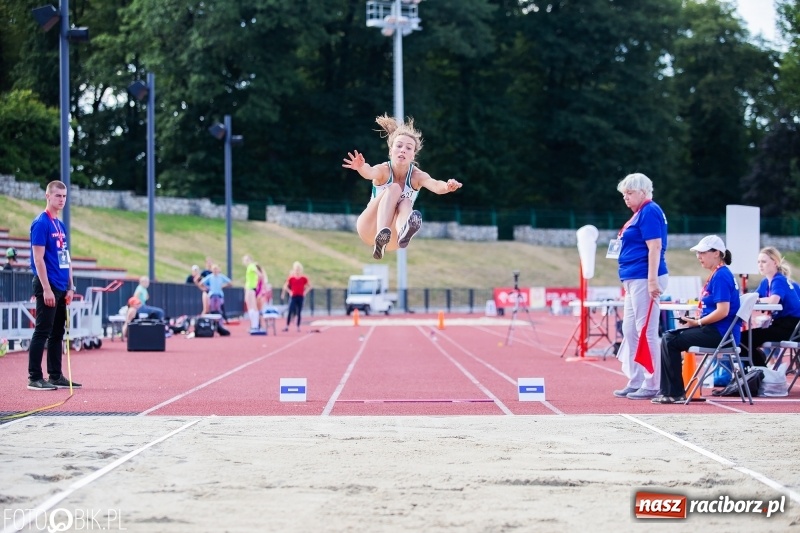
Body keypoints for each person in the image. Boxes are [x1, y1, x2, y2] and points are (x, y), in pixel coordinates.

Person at [342, 114, 463, 260]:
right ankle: (381, 235)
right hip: (368, 227)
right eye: (399, 146)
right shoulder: (383, 170)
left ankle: (403, 232)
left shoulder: (417, 176)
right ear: (390, 151)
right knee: (394, 189)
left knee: (405, 202)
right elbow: (369, 172)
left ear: (413, 155)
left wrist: (448, 186)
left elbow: (436, 185)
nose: (403, 150)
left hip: (394, 239)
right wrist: (360, 167)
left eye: (408, 148)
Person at [654, 235, 741, 404]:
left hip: (720, 335)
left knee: (669, 339)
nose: (698, 257)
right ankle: (672, 391)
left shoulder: (721, 276)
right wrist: (695, 320)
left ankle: (673, 393)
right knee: (670, 337)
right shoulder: (719, 274)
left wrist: (698, 322)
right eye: (697, 253)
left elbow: (723, 311)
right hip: (718, 332)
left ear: (716, 253)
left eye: (702, 252)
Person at [611, 173, 669, 400]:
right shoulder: (639, 214)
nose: (625, 197)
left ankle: (652, 382)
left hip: (645, 278)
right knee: (630, 330)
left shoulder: (650, 211)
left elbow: (655, 246)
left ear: (643, 192)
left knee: (646, 331)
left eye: (629, 192)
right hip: (634, 278)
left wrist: (652, 280)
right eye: (623, 193)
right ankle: (636, 379)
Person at [27, 180, 81, 390]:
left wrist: (70, 286)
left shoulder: (60, 224)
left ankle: (55, 374)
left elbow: (66, 257)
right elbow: (38, 259)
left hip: (61, 285)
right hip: (47, 286)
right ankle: (34, 376)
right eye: (58, 196)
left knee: (57, 332)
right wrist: (47, 288)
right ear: (47, 196)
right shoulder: (41, 223)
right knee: (42, 331)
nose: (62, 200)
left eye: (64, 196)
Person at [740, 247, 800, 367]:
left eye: (764, 261)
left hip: (792, 328)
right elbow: (752, 297)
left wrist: (756, 300)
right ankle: (759, 370)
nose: (760, 265)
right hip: (781, 325)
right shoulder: (765, 282)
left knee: (742, 339)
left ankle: (760, 374)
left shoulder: (779, 280)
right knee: (743, 339)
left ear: (775, 263)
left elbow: (774, 300)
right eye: (758, 262)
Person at [282, 261, 312, 332]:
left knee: (299, 312)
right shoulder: (291, 278)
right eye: (296, 269)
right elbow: (285, 286)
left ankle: (298, 326)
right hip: (293, 296)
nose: (297, 271)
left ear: (301, 270)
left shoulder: (304, 278)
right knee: (290, 310)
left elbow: (310, 286)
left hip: (300, 296)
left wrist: (305, 292)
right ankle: (287, 325)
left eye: (298, 269)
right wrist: (290, 292)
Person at [243, 254, 265, 335]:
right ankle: (253, 324)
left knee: (253, 307)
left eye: (246, 260)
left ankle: (255, 325)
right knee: (250, 306)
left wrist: (257, 280)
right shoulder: (250, 267)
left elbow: (259, 274)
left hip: (251, 288)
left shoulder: (251, 266)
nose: (244, 262)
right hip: (250, 288)